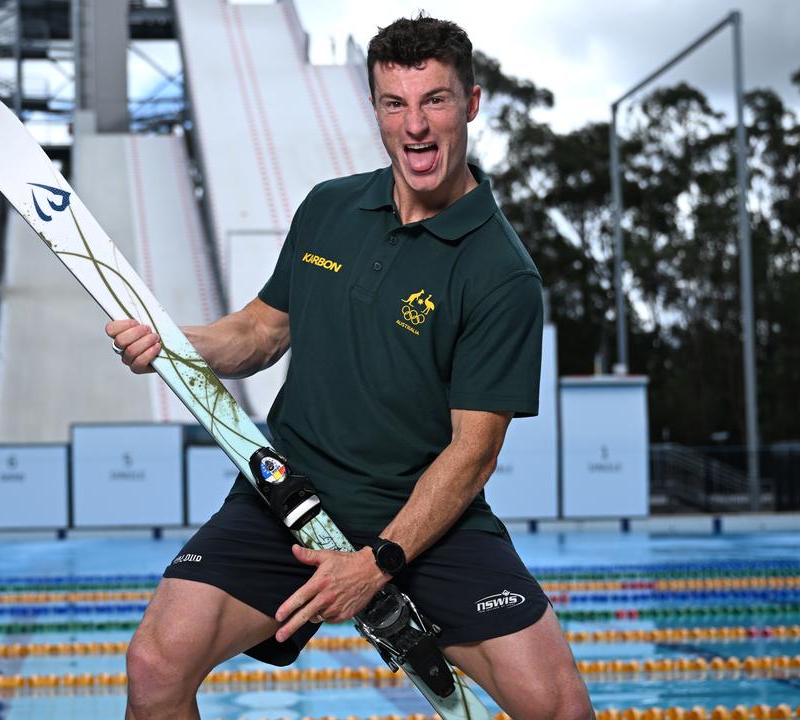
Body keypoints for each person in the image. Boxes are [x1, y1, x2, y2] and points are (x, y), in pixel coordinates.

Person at [107, 15, 593, 720]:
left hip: (427, 522)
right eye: (395, 103)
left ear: (470, 104)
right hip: (290, 501)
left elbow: (474, 453)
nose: (415, 125)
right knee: (155, 665)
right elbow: (260, 332)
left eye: (435, 100)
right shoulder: (329, 207)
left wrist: (375, 565)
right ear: (375, 108)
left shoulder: (501, 272)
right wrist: (173, 343)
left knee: (560, 708)